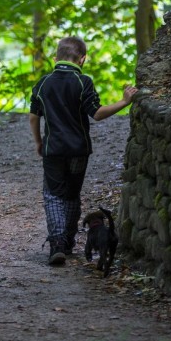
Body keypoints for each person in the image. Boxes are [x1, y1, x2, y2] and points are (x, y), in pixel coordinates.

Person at [29, 36, 138, 265]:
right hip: (79, 150)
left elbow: (33, 115)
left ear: (55, 58)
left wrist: (39, 141)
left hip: (53, 150)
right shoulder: (83, 82)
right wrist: (124, 102)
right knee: (71, 194)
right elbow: (96, 113)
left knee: (53, 195)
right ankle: (67, 241)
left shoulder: (43, 83)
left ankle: (57, 243)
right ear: (82, 59)